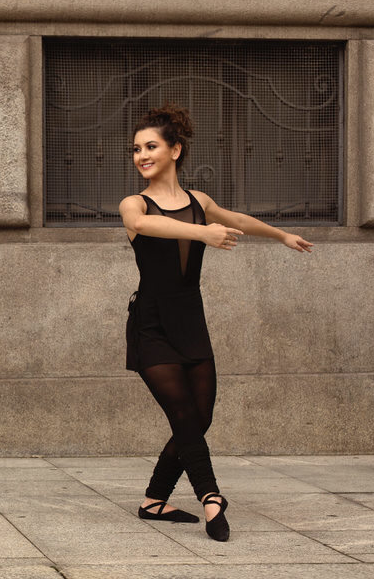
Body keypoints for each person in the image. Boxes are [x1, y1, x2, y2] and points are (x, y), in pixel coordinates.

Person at [119, 103, 313, 542]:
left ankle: (154, 499)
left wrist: (281, 235)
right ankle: (211, 497)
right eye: (135, 149)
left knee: (199, 418)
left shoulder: (199, 202)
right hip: (151, 323)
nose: (141, 155)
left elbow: (236, 220)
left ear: (175, 150)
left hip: (190, 319)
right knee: (183, 414)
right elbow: (143, 225)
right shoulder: (134, 202)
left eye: (151, 146)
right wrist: (202, 233)